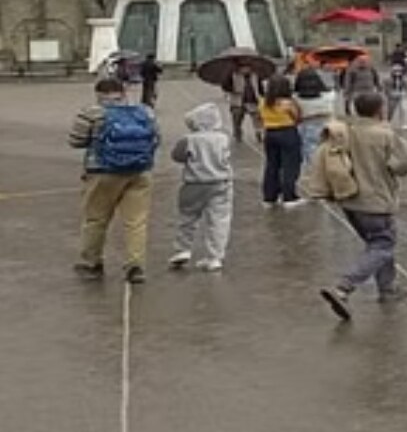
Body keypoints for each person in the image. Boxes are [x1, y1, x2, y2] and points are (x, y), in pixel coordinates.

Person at [318, 92, 407, 321]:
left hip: (350, 200)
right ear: (379, 109)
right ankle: (344, 286)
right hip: (376, 200)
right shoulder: (385, 134)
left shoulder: (346, 132)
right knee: (382, 245)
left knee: (377, 244)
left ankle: (387, 289)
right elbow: (402, 166)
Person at [68, 78, 160, 283]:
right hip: (140, 172)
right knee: (136, 221)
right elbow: (156, 139)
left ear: (99, 94)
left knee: (96, 219)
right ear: (123, 92)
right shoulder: (145, 112)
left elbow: (75, 141)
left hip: (103, 172)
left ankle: (92, 263)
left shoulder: (91, 113)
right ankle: (135, 265)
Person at [168, 103, 234, 271]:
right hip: (221, 182)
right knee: (219, 220)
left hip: (194, 182)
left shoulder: (189, 139)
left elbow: (177, 156)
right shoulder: (223, 138)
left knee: (187, 216)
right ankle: (215, 257)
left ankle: (183, 248)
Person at [259, 75, 304, 207]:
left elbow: (260, 118)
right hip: (287, 132)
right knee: (290, 165)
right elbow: (298, 117)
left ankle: (269, 196)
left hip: (270, 133)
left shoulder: (263, 102)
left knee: (272, 165)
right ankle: (289, 196)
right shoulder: (288, 103)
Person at [294, 68, 337, 165]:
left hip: (305, 127)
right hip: (327, 125)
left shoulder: (295, 98)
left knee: (310, 156)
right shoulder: (330, 96)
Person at [222, 66, 262, 143]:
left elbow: (260, 87)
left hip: (253, 100)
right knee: (237, 119)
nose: (246, 69)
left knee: (257, 118)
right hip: (238, 101)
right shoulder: (233, 75)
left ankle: (259, 133)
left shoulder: (255, 75)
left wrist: (261, 96)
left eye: (248, 67)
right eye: (243, 67)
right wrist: (233, 88)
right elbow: (225, 86)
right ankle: (238, 134)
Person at [386, 58, 407, 131]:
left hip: (402, 95)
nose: (398, 72)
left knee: (404, 109)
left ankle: (404, 123)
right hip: (392, 96)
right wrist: (390, 94)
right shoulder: (388, 79)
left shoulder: (404, 79)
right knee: (390, 110)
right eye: (395, 71)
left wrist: (406, 93)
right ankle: (387, 122)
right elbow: (386, 90)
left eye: (399, 71)